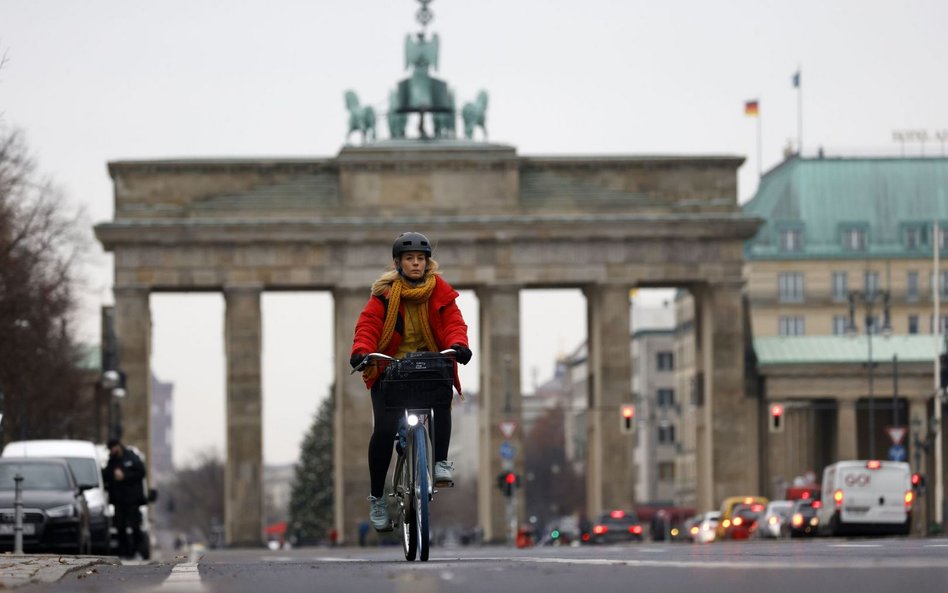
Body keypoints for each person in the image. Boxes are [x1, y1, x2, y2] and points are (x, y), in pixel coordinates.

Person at [350, 231, 472, 531]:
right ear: (398, 263)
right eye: (409, 259)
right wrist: (362, 351)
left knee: (443, 398)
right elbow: (368, 325)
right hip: (390, 369)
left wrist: (459, 344)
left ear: (427, 263)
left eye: (420, 259)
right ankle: (377, 497)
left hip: (426, 367)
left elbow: (454, 322)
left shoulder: (441, 292)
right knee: (384, 430)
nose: (416, 264)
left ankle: (441, 462)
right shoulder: (384, 296)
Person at [102, 438, 146, 558]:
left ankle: (137, 550)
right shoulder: (112, 461)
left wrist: (125, 476)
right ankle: (124, 552)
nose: (112, 450)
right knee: (120, 527)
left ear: (118, 446)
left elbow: (141, 472)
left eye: (113, 448)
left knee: (135, 527)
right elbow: (106, 476)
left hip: (132, 500)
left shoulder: (131, 457)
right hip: (118, 500)